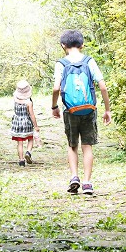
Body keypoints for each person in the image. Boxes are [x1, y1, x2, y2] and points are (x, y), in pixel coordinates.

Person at [51, 29, 111, 194]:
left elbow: (56, 88)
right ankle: (87, 183)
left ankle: (74, 177)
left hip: (70, 110)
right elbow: (103, 86)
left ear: (63, 45)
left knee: (72, 145)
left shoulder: (61, 63)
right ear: (82, 44)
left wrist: (54, 107)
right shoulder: (89, 61)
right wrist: (107, 110)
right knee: (87, 146)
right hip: (89, 109)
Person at [10, 80, 39, 166]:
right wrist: (36, 126)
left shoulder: (15, 99)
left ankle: (21, 160)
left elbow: (14, 95)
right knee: (30, 139)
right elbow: (32, 115)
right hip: (27, 123)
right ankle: (28, 152)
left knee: (20, 142)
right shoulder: (28, 103)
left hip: (17, 123)